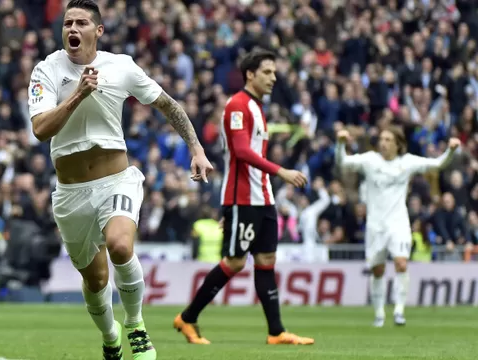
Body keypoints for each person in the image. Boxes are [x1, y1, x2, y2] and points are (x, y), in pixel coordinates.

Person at [27, 0, 213, 359]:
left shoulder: (121, 66)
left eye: (81, 23)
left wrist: (196, 148)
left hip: (117, 180)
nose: (72, 29)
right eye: (67, 23)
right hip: (71, 193)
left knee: (121, 246)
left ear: (98, 31)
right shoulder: (46, 69)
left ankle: (136, 325)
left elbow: (169, 105)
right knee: (95, 281)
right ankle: (111, 337)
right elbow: (39, 129)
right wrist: (78, 94)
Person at [173, 49, 314, 346]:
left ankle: (276, 332)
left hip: (263, 197)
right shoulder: (238, 105)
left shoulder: (257, 107)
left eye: (274, 72)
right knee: (235, 262)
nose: (273, 78)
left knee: (266, 260)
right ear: (250, 74)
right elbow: (240, 151)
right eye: (267, 72)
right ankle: (187, 318)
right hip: (243, 198)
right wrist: (281, 171)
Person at [335, 127, 459, 327]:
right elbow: (343, 162)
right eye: (381, 139)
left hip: (398, 223)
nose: (382, 143)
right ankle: (379, 314)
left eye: (387, 139)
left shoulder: (407, 162)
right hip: (375, 226)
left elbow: (437, 165)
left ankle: (399, 311)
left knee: (401, 264)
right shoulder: (370, 160)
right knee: (378, 270)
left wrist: (451, 151)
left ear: (397, 144)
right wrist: (340, 144)